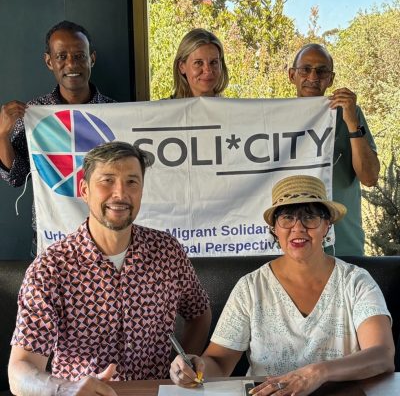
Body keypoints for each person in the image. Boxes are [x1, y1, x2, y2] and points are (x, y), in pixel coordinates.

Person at [8, 141, 211, 396]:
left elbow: (199, 313)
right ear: (84, 189)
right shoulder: (51, 268)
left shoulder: (168, 252)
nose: (120, 193)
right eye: (107, 181)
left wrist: (184, 364)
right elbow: (20, 371)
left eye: (132, 182)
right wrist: (66, 389)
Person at [170, 175, 394, 396]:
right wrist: (194, 367)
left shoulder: (356, 282)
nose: (298, 228)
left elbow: (382, 355)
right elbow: (218, 363)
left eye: (310, 217)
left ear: (327, 225)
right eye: (287, 218)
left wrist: (317, 372)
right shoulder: (251, 287)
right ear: (274, 228)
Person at [0, 20, 115, 256]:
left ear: (91, 58)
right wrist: (2, 135)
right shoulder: (33, 112)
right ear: (49, 61)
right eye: (61, 56)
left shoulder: (115, 112)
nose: (71, 64)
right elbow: (16, 177)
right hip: (51, 239)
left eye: (79, 56)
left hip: (105, 238)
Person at [288, 43, 380, 256]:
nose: (313, 76)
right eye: (305, 69)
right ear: (292, 75)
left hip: (343, 247)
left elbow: (370, 178)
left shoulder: (349, 114)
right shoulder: (272, 117)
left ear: (331, 79)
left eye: (321, 71)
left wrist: (351, 123)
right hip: (292, 248)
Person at [171, 28, 229, 98]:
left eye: (213, 62)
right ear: (182, 66)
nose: (208, 71)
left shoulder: (232, 108)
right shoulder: (163, 108)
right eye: (198, 63)